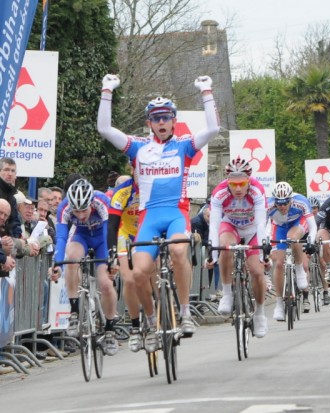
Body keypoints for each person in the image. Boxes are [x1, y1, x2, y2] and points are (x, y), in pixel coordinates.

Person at [97, 73, 220, 339]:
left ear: (174, 121)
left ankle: (185, 313)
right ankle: (151, 320)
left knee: (178, 252)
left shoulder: (184, 146)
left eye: (166, 117)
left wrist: (206, 92)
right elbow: (105, 129)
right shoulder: (138, 147)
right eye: (156, 118)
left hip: (177, 214)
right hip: (149, 217)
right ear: (149, 123)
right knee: (139, 274)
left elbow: (213, 129)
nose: (162, 122)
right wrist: (107, 91)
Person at [49, 178, 119, 356]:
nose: (80, 215)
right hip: (82, 236)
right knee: (71, 257)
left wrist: (112, 259)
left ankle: (110, 330)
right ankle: (74, 311)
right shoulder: (64, 207)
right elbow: (62, 238)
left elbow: (109, 231)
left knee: (105, 283)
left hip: (102, 239)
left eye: (84, 210)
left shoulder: (102, 201)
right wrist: (57, 264)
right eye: (76, 211)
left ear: (91, 203)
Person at [209, 157, 270, 337]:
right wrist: (212, 254)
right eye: (233, 184)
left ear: (249, 181)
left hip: (252, 230)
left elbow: (261, 225)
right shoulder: (219, 193)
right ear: (227, 181)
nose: (237, 189)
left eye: (242, 184)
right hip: (231, 226)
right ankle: (227, 293)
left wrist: (263, 253)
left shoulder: (257, 191)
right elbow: (213, 225)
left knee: (257, 272)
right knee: (225, 246)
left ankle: (259, 313)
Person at [107, 174, 147, 352]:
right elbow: (112, 225)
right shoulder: (123, 192)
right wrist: (111, 254)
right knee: (129, 280)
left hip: (146, 232)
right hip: (126, 234)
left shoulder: (155, 186)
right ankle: (136, 327)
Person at [267, 181, 317, 318]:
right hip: (279, 227)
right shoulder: (268, 205)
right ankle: (278, 304)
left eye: (285, 203)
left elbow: (313, 226)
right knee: (278, 263)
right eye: (279, 203)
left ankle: (300, 269)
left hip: (297, 223)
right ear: (274, 201)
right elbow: (263, 225)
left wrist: (311, 242)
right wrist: (265, 243)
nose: (282, 206)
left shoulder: (301, 201)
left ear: (291, 200)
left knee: (293, 237)